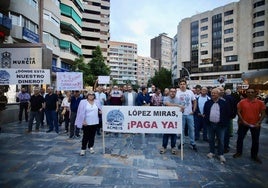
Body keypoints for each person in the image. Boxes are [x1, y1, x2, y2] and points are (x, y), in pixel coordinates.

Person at [233, 88, 266, 164]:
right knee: (240, 139)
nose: (250, 93)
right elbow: (238, 112)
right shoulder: (242, 102)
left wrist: (259, 122)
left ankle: (254, 155)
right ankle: (239, 152)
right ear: (246, 93)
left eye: (252, 92)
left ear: (255, 93)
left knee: (255, 140)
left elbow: (263, 113)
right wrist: (243, 120)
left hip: (255, 124)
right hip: (243, 124)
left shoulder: (260, 102)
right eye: (248, 92)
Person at [204, 88, 229, 163]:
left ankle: (220, 154)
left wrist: (224, 123)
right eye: (212, 93)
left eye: (214, 93)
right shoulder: (208, 103)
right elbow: (205, 112)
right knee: (211, 139)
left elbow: (227, 114)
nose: (212, 94)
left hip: (220, 125)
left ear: (218, 94)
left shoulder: (224, 103)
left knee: (221, 140)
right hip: (210, 124)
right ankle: (212, 152)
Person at [75, 91, 102, 156]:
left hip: (95, 121)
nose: (91, 96)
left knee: (92, 136)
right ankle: (83, 149)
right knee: (85, 136)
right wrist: (83, 120)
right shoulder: (83, 102)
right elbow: (80, 112)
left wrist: (100, 112)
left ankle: (91, 147)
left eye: (92, 95)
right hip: (86, 122)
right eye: (89, 95)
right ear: (87, 95)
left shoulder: (97, 102)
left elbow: (100, 109)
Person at [160, 87, 184, 154]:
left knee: (174, 135)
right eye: (171, 91)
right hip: (167, 120)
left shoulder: (179, 99)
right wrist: (177, 105)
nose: (172, 93)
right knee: (166, 134)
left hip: (175, 120)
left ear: (176, 92)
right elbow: (168, 105)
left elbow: (182, 108)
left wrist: (181, 108)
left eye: (174, 91)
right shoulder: (166, 98)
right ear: (169, 92)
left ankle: (173, 147)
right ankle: (164, 147)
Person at [176, 79, 197, 151]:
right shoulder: (177, 93)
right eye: (181, 84)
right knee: (181, 129)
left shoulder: (190, 92)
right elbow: (175, 103)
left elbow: (194, 101)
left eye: (183, 84)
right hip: (181, 114)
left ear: (186, 85)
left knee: (191, 129)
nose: (182, 85)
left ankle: (192, 143)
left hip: (189, 114)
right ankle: (182, 142)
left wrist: (194, 110)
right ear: (179, 85)